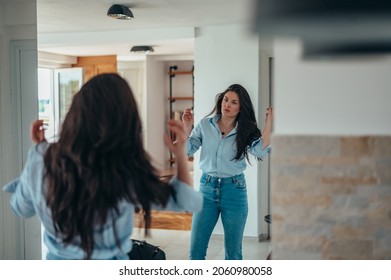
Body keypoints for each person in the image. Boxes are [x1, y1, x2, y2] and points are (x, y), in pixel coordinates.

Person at [3, 73, 203, 260]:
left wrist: (37, 158)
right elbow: (190, 202)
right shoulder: (124, 170)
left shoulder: (43, 158)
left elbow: (21, 209)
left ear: (76, 112)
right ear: (127, 120)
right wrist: (181, 154)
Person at [182, 83, 272, 260]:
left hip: (235, 191)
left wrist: (269, 122)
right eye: (225, 100)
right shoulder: (205, 125)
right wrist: (187, 127)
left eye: (234, 102)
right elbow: (186, 151)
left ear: (241, 107)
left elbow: (260, 151)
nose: (227, 105)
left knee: (233, 254)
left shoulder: (246, 130)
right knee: (195, 252)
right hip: (206, 190)